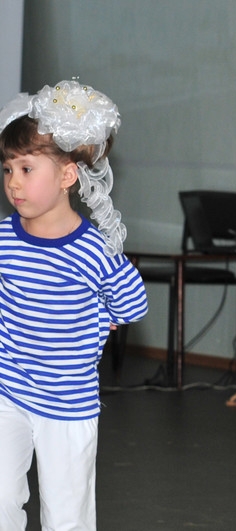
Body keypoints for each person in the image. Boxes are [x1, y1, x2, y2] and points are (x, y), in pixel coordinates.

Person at [0, 80, 148, 530]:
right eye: (7, 169)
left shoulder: (93, 250)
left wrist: (103, 318)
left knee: (67, 513)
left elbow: (133, 304)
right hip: (8, 390)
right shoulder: (5, 239)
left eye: (26, 169)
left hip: (67, 402)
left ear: (67, 177)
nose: (13, 182)